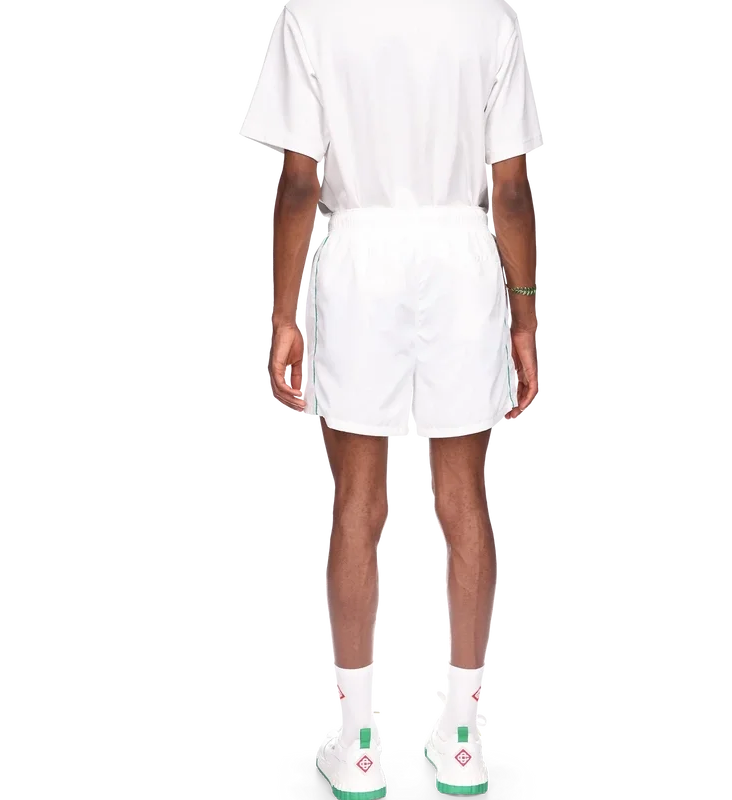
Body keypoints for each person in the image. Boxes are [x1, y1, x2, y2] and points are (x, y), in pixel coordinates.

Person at [242, 0, 541, 795]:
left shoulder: (311, 13)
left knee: (355, 503)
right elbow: (512, 190)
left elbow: (300, 180)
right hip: (460, 258)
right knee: (464, 502)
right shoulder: (493, 16)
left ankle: (358, 739)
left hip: (361, 260)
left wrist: (283, 314)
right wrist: (525, 318)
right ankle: (465, 736)